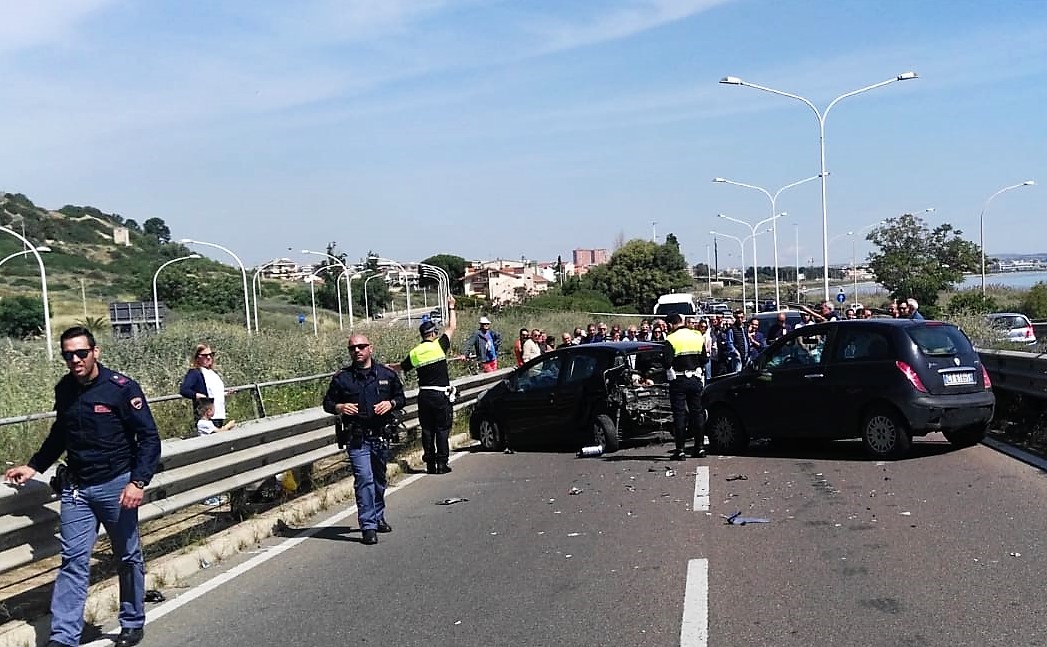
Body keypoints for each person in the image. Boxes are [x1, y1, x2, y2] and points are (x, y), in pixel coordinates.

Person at [4, 327, 161, 647]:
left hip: (117, 485)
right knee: (73, 560)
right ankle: (64, 637)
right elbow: (60, 434)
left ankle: (132, 620)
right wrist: (34, 466)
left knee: (128, 556)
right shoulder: (65, 389)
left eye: (81, 353)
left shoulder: (121, 388)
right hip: (78, 489)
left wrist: (138, 482)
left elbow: (149, 438)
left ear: (95, 352)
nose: (74, 359)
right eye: (68, 355)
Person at [323, 333, 405, 545]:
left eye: (361, 347)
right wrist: (340, 407)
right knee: (364, 480)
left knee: (378, 480)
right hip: (357, 438)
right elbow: (328, 403)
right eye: (352, 348)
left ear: (371, 348)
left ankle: (378, 517)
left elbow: (400, 398)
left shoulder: (386, 374)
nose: (357, 351)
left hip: (380, 437)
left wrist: (391, 404)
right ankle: (367, 526)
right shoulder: (343, 378)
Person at [394, 296, 457, 475]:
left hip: (424, 396)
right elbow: (452, 327)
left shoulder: (415, 353)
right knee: (442, 429)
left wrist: (386, 367)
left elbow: (400, 367)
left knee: (428, 430)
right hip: (440, 395)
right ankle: (442, 464)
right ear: (433, 333)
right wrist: (451, 307)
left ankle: (429, 463)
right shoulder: (439, 346)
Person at [665, 313, 708, 460]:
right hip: (695, 378)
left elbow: (666, 361)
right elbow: (704, 359)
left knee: (679, 415)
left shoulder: (671, 338)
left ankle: (680, 450)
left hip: (678, 379)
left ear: (672, 324)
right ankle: (700, 448)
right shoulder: (697, 336)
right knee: (697, 413)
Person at [179, 343, 229, 427]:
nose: (209, 357)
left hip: (219, 414)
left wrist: (224, 394)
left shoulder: (212, 372)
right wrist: (198, 395)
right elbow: (184, 390)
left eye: (211, 354)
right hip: (206, 417)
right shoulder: (195, 372)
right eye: (205, 355)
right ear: (197, 357)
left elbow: (213, 392)